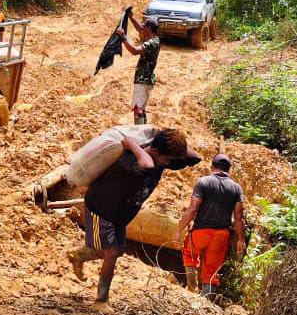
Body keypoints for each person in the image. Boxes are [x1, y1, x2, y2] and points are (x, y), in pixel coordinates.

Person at [67, 129, 202, 311]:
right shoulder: (129, 159)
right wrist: (132, 144)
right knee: (112, 252)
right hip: (101, 208)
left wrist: (164, 136)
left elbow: (195, 157)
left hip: (119, 214)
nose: (169, 164)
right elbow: (146, 164)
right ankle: (101, 301)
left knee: (115, 251)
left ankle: (79, 255)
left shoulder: (160, 158)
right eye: (167, 160)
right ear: (155, 151)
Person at [174, 154, 246, 301]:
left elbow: (193, 209)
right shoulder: (236, 188)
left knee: (189, 255)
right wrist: (240, 239)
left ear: (212, 167)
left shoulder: (203, 182)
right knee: (212, 270)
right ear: (229, 170)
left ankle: (191, 287)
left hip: (201, 231)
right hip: (221, 235)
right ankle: (206, 302)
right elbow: (239, 217)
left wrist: (178, 230)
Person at [115, 15, 160, 125]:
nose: (142, 28)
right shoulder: (153, 39)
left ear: (149, 28)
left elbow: (134, 51)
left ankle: (139, 131)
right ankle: (142, 129)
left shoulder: (152, 43)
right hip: (146, 80)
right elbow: (139, 28)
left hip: (143, 80)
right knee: (141, 109)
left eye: (144, 26)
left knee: (138, 109)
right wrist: (131, 17)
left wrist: (123, 38)